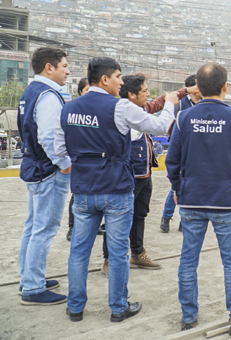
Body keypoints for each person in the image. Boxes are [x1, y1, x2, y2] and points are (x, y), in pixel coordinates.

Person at [54, 57, 178, 323]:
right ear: (104, 79)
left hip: (84, 190)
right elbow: (157, 126)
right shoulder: (120, 107)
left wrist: (79, 168)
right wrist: (169, 104)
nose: (121, 82)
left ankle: (75, 308)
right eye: (119, 77)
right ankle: (118, 308)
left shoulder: (68, 108)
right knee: (119, 251)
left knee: (79, 250)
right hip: (116, 189)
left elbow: (59, 152)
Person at [166, 63, 231, 335]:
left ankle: (188, 317)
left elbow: (172, 160)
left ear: (197, 87)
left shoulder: (184, 118)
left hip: (191, 201)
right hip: (226, 202)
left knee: (188, 261)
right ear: (225, 86)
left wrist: (177, 187)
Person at [98, 74, 197, 274]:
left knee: (140, 215)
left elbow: (158, 103)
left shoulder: (138, 109)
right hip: (128, 176)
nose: (148, 95)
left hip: (144, 173)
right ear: (132, 95)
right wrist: (171, 102)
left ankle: (137, 253)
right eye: (144, 91)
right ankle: (109, 260)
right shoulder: (123, 112)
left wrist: (187, 91)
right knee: (118, 219)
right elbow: (161, 114)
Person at [16, 47, 71, 305]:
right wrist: (64, 164)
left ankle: (28, 277)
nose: (67, 71)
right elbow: (49, 137)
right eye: (64, 66)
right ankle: (33, 288)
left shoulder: (30, 92)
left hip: (33, 167)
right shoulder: (49, 95)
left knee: (32, 226)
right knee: (44, 228)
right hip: (48, 170)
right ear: (49, 68)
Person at [161, 74, 201, 233]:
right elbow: (171, 124)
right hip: (182, 149)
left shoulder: (202, 104)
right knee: (176, 187)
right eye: (198, 85)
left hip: (196, 151)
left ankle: (184, 220)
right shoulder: (181, 103)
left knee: (192, 186)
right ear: (191, 87)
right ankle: (166, 216)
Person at [66, 77, 91, 242]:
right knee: (78, 195)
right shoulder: (73, 109)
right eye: (88, 90)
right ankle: (72, 227)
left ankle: (91, 227)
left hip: (95, 160)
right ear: (80, 91)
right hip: (79, 158)